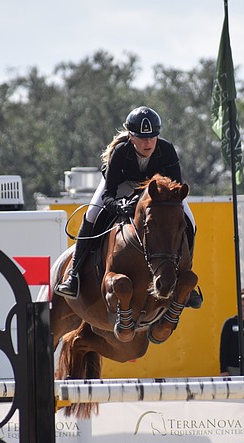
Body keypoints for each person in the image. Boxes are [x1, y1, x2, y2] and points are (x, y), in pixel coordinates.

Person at [54, 106, 201, 308]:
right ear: (131, 137)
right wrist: (120, 207)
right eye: (142, 138)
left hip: (155, 191)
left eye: (152, 137)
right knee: (91, 215)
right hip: (121, 187)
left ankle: (185, 275)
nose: (148, 142)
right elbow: (108, 194)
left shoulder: (166, 150)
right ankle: (74, 275)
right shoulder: (121, 152)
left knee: (189, 221)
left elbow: (174, 187)